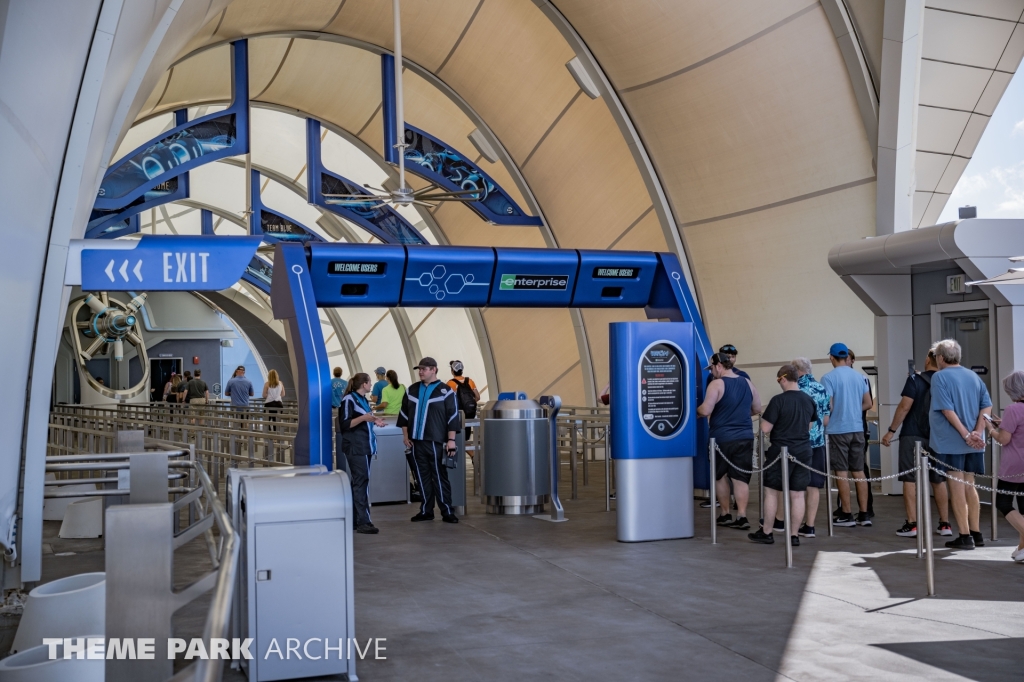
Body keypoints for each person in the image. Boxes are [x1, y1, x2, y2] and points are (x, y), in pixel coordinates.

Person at [880, 350, 952, 537]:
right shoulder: (947, 381)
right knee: (938, 479)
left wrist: (891, 430)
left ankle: (912, 524)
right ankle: (945, 524)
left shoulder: (915, 380)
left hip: (912, 435)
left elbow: (905, 406)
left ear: (928, 359)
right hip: (939, 437)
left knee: (910, 479)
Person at [929, 338, 991, 550]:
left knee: (956, 487)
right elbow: (987, 407)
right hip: (974, 444)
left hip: (951, 443)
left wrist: (966, 435)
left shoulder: (939, 377)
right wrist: (977, 432)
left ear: (940, 357)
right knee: (970, 485)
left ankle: (964, 535)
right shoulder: (973, 376)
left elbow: (947, 410)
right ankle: (976, 532)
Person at [749, 365, 815, 546]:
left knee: (771, 492)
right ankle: (794, 535)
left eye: (779, 381)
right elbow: (809, 426)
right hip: (803, 450)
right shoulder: (808, 400)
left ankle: (767, 532)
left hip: (781, 450)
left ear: (783, 378)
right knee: (798, 494)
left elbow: (764, 428)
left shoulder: (778, 401)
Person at [697, 353, 761, 530]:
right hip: (745, 437)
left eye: (712, 368)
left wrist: (694, 411)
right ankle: (742, 516)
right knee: (740, 478)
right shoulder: (747, 382)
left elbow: (705, 409)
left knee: (720, 476)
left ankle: (725, 514)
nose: (712, 372)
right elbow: (756, 408)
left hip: (721, 438)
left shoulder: (716, 384)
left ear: (718, 366)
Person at [397, 357, 460, 523]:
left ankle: (447, 511)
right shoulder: (411, 390)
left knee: (439, 476)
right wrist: (406, 436)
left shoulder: (446, 392)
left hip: (436, 441)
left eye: (424, 369)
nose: (421, 372)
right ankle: (426, 510)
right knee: (421, 476)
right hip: (416, 441)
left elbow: (452, 417)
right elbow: (404, 415)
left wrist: (451, 441)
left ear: (434, 369)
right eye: (419, 369)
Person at [821, 343, 873, 527]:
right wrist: (852, 410)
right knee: (859, 471)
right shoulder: (860, 377)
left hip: (838, 429)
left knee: (841, 472)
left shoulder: (828, 378)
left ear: (831, 357)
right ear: (846, 357)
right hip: (858, 428)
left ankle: (847, 514)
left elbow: (830, 406)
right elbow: (868, 403)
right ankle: (865, 514)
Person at [983, 370, 1024, 561]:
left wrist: (990, 429)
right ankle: (1022, 549)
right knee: (1023, 506)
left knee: (1004, 502)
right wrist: (1003, 424)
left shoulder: (1013, 409)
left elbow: (1004, 439)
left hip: (1014, 465)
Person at [339, 372, 387, 534]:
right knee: (361, 482)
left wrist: (376, 420)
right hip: (355, 446)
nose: (371, 385)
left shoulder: (363, 400)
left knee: (360, 482)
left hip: (364, 446)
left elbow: (367, 416)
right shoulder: (349, 400)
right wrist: (364, 419)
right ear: (363, 384)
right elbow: (345, 424)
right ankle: (363, 521)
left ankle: (355, 519)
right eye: (369, 382)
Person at [790, 357, 830, 538]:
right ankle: (810, 526)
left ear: (797, 371)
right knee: (814, 485)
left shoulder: (796, 389)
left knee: (795, 486)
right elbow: (826, 418)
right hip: (818, 443)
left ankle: (786, 523)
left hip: (799, 443)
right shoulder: (821, 388)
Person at [447, 360, 480, 441]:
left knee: (459, 437)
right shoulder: (470, 381)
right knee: (467, 436)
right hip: (470, 413)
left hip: (458, 415)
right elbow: (478, 397)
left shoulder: (450, 383)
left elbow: (448, 401)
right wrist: (469, 406)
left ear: (452, 371)